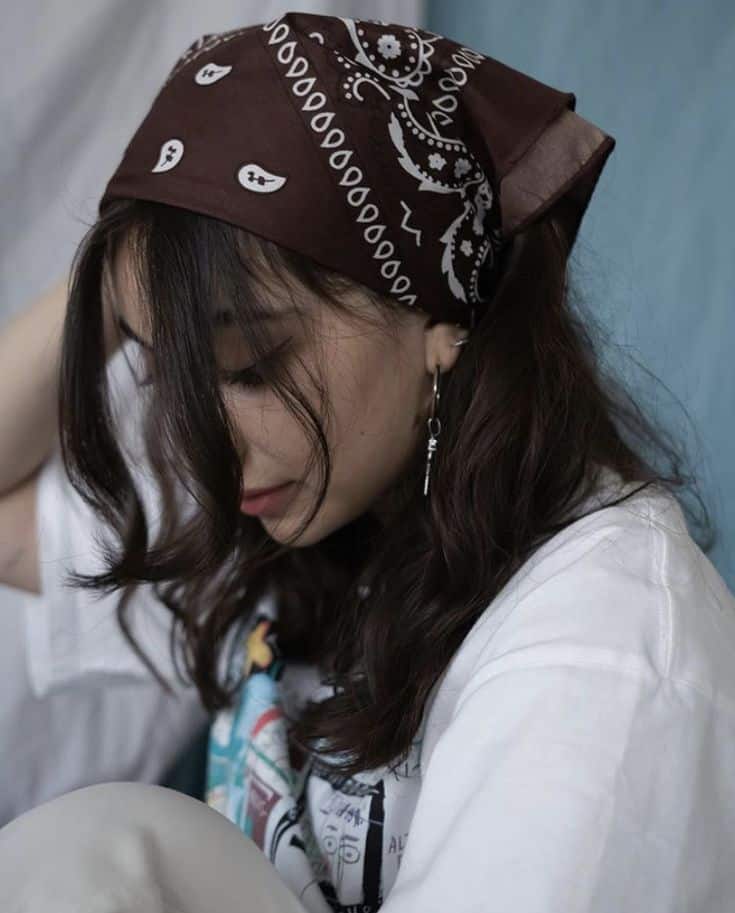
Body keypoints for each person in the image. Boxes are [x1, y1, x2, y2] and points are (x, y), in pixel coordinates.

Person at [2, 10, 735, 913]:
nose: (208, 448)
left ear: (437, 318)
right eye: (167, 370)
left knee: (102, 848)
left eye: (250, 366)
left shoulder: (606, 645)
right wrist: (135, 245)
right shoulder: (302, 521)